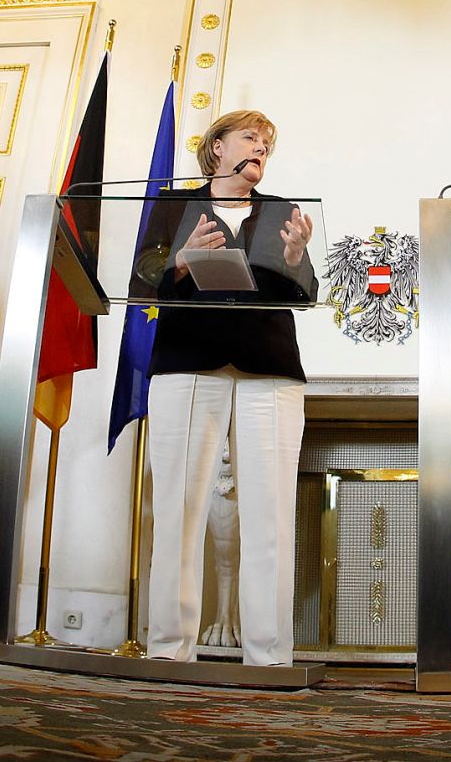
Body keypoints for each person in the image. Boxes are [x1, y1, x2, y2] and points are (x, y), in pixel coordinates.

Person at [130, 109, 316, 667]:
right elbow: (141, 278)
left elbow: (304, 292)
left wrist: (295, 259)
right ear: (216, 150)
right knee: (179, 508)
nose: (260, 147)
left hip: (269, 366)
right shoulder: (172, 205)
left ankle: (268, 657)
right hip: (189, 361)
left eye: (267, 142)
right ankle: (169, 652)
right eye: (250, 138)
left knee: (271, 513)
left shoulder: (284, 211)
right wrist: (182, 262)